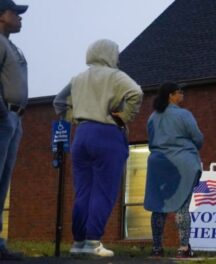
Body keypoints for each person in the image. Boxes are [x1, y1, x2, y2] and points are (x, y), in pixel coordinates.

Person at [53, 39, 143, 257]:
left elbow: (59, 101)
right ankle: (94, 242)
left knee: (83, 191)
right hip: (107, 134)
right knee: (104, 190)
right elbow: (136, 93)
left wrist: (74, 119)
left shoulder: (78, 78)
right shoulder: (115, 75)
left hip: (82, 135)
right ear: (109, 54)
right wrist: (124, 117)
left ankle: (78, 243)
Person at [144, 81, 203, 258]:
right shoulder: (184, 115)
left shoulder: (152, 117)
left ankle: (156, 247)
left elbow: (151, 139)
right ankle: (184, 248)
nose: (182, 95)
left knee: (158, 207)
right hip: (182, 165)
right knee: (182, 207)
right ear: (171, 95)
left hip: (158, 165)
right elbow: (198, 138)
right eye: (179, 92)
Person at [0, 0, 28, 260]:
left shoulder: (12, 46)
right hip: (3, 116)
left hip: (14, 117)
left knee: (3, 182)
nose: (20, 18)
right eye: (15, 13)